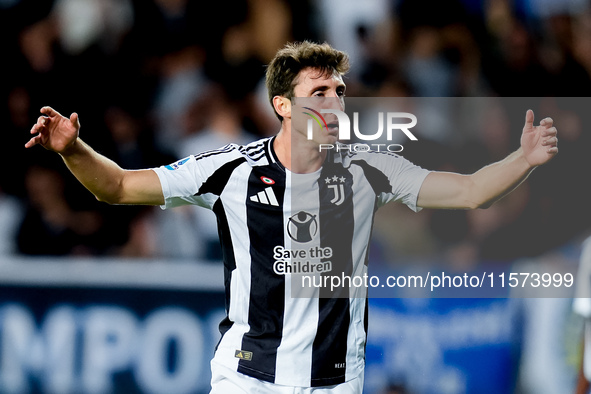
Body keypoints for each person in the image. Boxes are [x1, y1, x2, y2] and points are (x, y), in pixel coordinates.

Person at [26, 41, 558, 393]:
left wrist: (523, 159)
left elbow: (469, 192)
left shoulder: (368, 170)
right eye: (319, 93)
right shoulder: (229, 169)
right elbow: (118, 186)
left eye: (340, 93)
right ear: (283, 105)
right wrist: (74, 151)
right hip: (247, 377)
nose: (334, 104)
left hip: (333, 381)